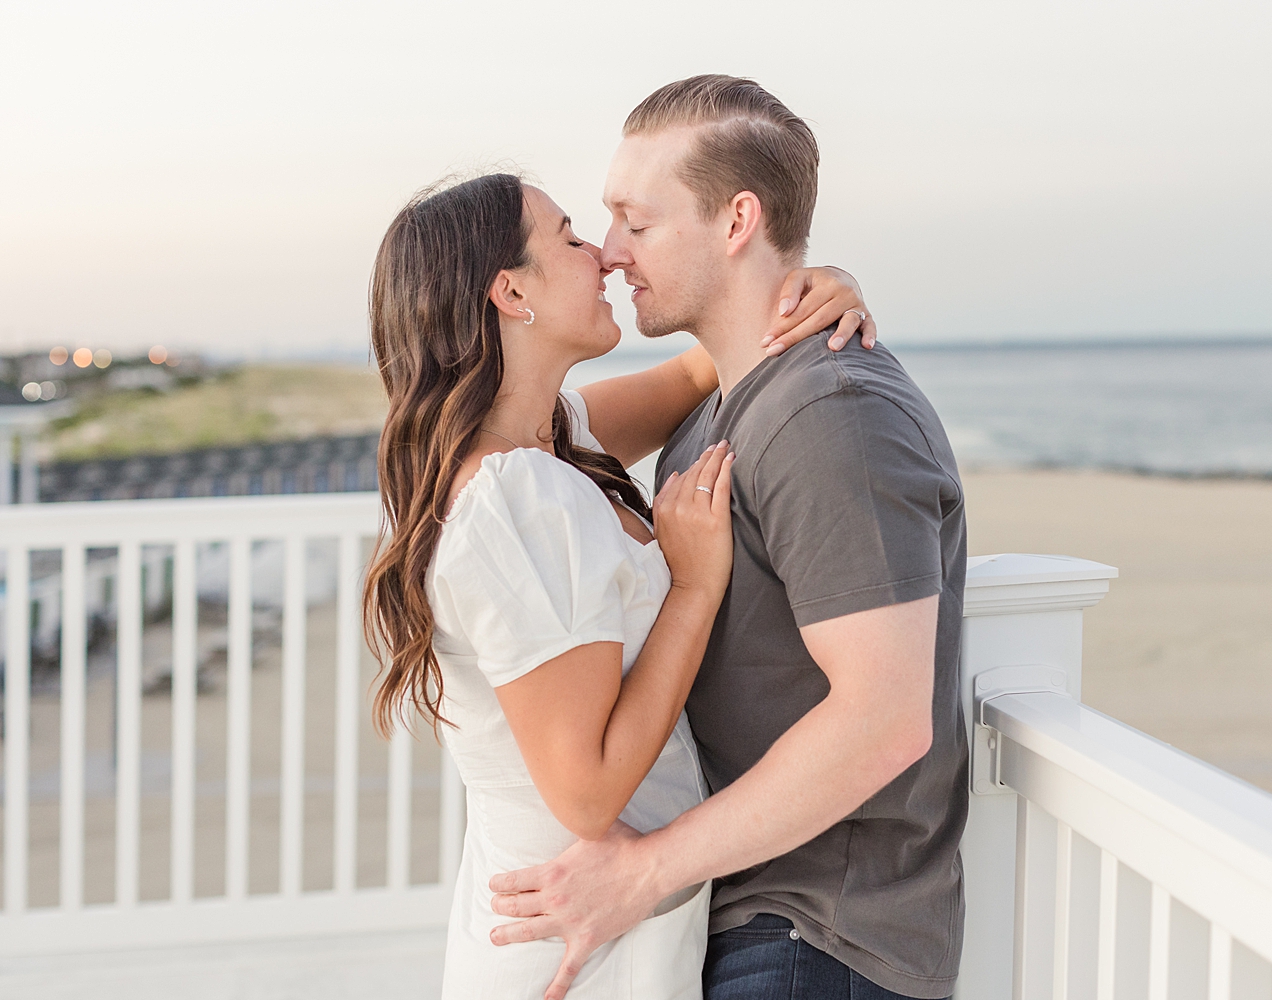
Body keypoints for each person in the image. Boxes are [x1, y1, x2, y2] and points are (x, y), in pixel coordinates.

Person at [487, 76, 969, 1000]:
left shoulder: (836, 414)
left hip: (817, 938)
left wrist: (643, 871)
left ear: (737, 219)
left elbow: (884, 717)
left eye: (637, 221)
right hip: (739, 916)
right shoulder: (717, 408)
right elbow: (520, 436)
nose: (612, 252)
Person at [362, 170, 876, 999]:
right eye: (568, 236)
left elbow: (692, 376)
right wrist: (694, 588)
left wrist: (810, 291)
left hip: (607, 915)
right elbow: (589, 790)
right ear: (510, 290)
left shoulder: (551, 439)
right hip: (577, 936)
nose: (602, 255)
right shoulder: (513, 498)